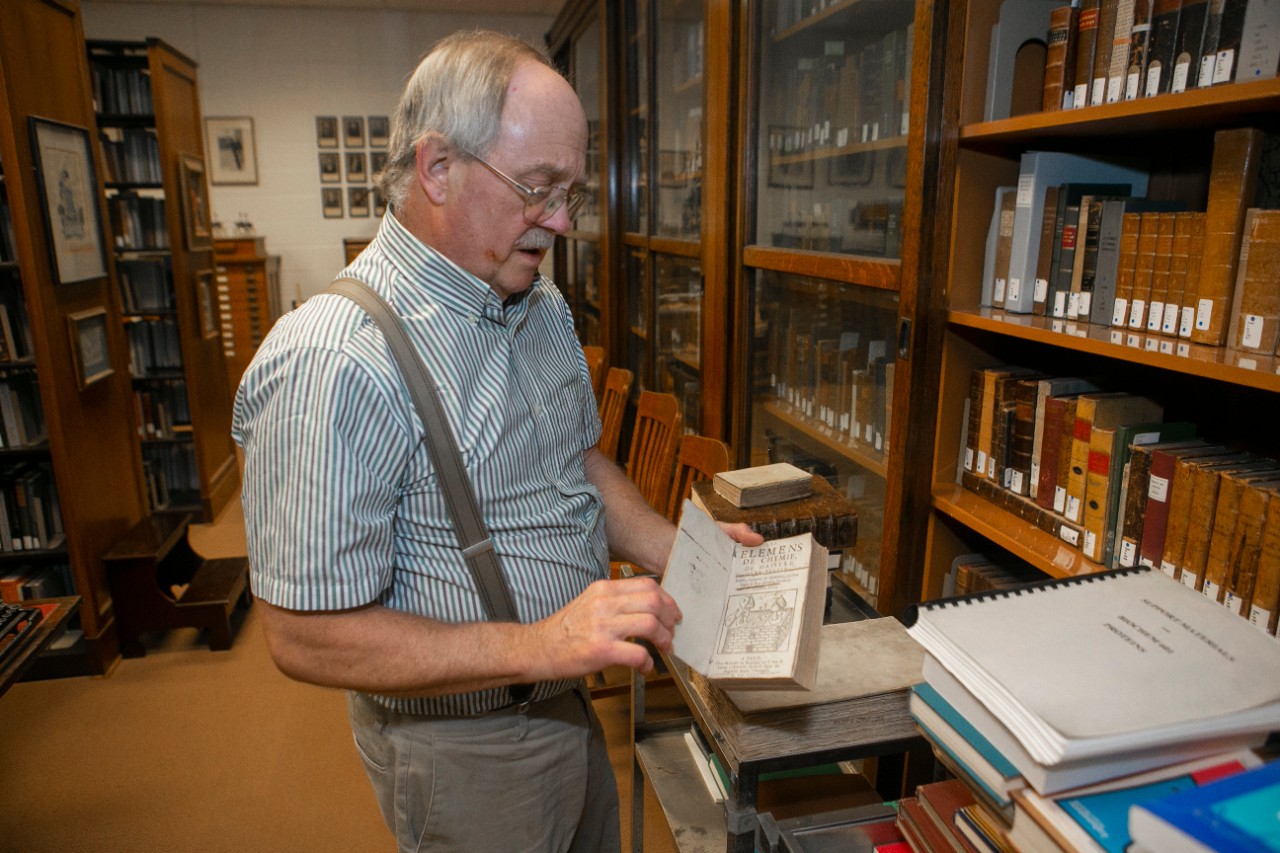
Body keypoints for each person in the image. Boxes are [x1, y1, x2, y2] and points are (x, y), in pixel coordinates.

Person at [232, 29, 761, 852]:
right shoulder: (333, 359)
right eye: (538, 188)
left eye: (571, 193)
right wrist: (543, 643)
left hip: (561, 697)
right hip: (466, 750)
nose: (559, 221)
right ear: (438, 167)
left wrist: (680, 547)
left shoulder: (536, 300)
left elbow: (576, 460)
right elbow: (305, 632)